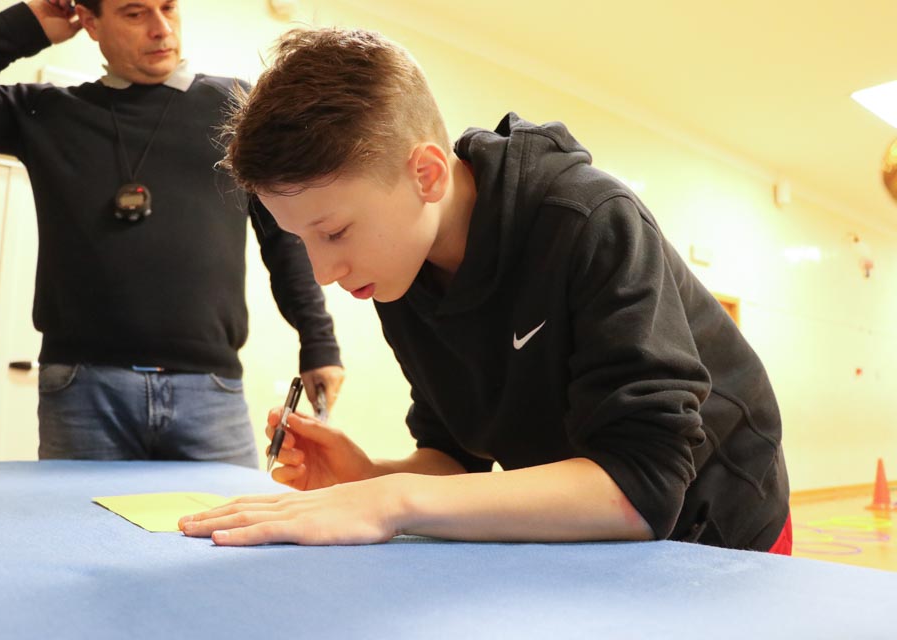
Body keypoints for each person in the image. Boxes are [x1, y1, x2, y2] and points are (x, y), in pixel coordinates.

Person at [177, 26, 792, 552]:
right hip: (597, 539)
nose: (322, 273)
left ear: (427, 175)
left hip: (722, 533)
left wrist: (393, 501)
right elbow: (455, 458)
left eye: (334, 232)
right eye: (302, 241)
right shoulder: (400, 274)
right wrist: (368, 477)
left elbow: (644, 486)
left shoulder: (589, 219)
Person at [0, 1, 344, 468]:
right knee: (83, 519)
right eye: (135, 13)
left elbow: (283, 239)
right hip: (84, 391)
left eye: (168, 7)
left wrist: (318, 341)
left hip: (209, 390)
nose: (161, 28)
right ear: (91, 23)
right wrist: (29, 24)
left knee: (231, 517)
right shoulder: (48, 113)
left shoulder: (236, 107)